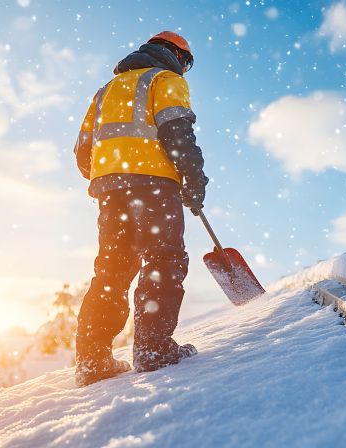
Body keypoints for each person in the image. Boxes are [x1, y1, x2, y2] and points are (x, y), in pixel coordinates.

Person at [73, 31, 209, 387]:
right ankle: (154, 349)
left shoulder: (106, 90)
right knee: (164, 259)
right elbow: (177, 133)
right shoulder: (164, 80)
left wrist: (111, 176)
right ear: (177, 57)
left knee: (112, 270)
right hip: (154, 185)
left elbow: (82, 151)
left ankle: (93, 361)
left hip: (110, 188)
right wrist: (193, 182)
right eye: (186, 63)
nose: (185, 69)